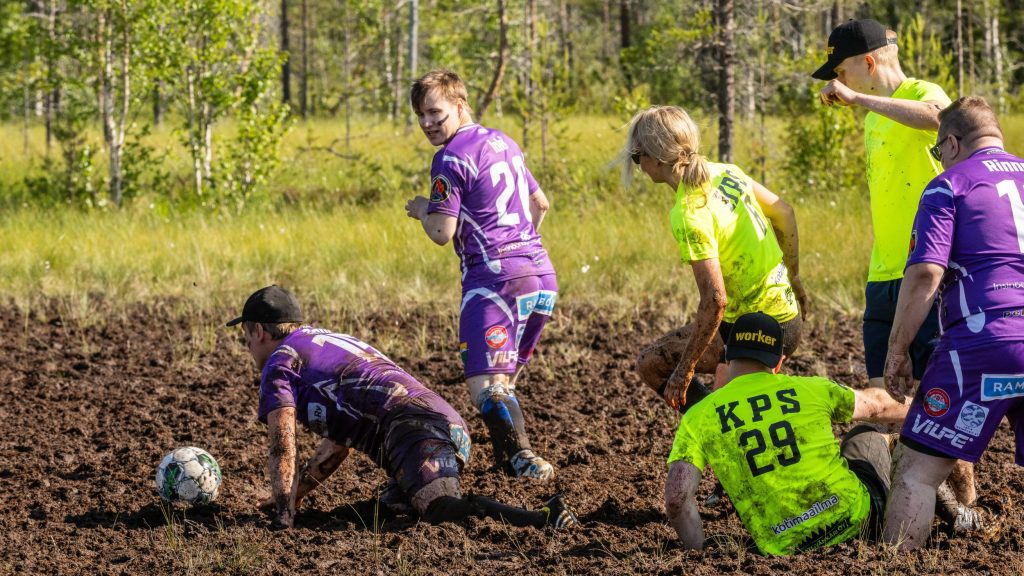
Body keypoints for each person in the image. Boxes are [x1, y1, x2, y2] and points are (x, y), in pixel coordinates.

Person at [229, 285, 578, 530]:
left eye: (246, 337)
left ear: (259, 331)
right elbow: (337, 445)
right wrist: (296, 495)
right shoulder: (325, 341)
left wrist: (282, 512)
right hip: (445, 423)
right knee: (391, 509)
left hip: (414, 429)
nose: (247, 347)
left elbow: (282, 444)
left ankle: (542, 518)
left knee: (439, 510)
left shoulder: (280, 362)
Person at [812, 17, 978, 506]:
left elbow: (939, 117)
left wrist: (859, 98)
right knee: (886, 400)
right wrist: (861, 104)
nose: (836, 84)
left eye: (840, 71)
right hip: (881, 276)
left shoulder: (922, 90)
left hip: (929, 275)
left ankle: (965, 504)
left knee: (936, 400)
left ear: (868, 62)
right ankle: (908, 502)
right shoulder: (872, 117)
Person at [665, 312, 981, 555]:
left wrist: (699, 555)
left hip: (784, 550)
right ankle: (959, 513)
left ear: (728, 357)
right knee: (868, 434)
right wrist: (941, 413)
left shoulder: (698, 417)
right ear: (778, 362)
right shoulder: (808, 388)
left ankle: (955, 511)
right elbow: (877, 405)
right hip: (859, 520)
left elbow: (677, 500)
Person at [404, 69, 558, 480]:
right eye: (420, 115)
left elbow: (441, 232)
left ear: (460, 105)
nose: (426, 123)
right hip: (540, 275)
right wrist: (518, 252)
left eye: (434, 112)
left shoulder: (450, 158)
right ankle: (513, 460)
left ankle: (523, 462)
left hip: (493, 283)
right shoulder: (504, 142)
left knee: (486, 387)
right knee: (502, 383)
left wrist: (423, 208)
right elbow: (540, 203)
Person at [883, 97, 1022, 550]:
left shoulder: (948, 186)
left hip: (984, 339)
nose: (938, 158)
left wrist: (898, 348)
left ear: (953, 142)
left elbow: (925, 273)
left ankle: (896, 564)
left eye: (937, 149)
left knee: (917, 473)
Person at [625, 105, 805, 411]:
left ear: (655, 157)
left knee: (666, 375)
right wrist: (794, 276)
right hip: (782, 316)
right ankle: (711, 427)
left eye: (636, 155)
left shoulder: (688, 213)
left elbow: (715, 300)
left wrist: (684, 371)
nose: (638, 163)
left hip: (756, 330)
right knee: (656, 364)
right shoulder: (727, 172)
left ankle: (712, 432)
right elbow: (784, 212)